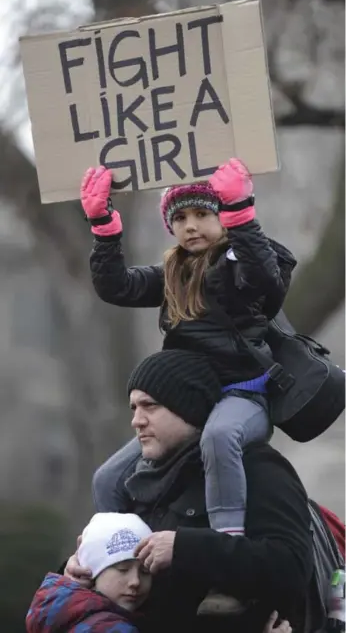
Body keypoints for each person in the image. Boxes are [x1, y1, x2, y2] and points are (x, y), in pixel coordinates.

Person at [81, 159, 296, 544]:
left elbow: (267, 282)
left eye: (202, 213)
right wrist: (104, 230)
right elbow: (117, 287)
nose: (191, 225)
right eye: (179, 217)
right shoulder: (172, 273)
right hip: (184, 406)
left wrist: (241, 217)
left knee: (220, 435)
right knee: (108, 478)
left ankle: (225, 541)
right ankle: (116, 554)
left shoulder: (244, 264)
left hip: (243, 395)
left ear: (223, 213)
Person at [66, 349, 313, 633]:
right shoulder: (137, 482)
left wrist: (184, 548)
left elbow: (292, 567)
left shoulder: (257, 469)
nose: (137, 420)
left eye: (150, 405)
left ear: (189, 408)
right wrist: (77, 571)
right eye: (134, 408)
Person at [26, 512, 153, 633]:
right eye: (123, 570)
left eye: (145, 571)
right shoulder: (111, 629)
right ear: (90, 571)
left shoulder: (58, 613)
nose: (135, 581)